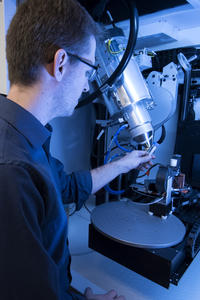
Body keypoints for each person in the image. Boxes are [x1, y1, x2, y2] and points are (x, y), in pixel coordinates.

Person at [0, 0, 153, 299]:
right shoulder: (12, 171)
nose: (86, 86)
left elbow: (66, 187)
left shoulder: (26, 136)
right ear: (60, 63)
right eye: (89, 70)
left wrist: (124, 163)